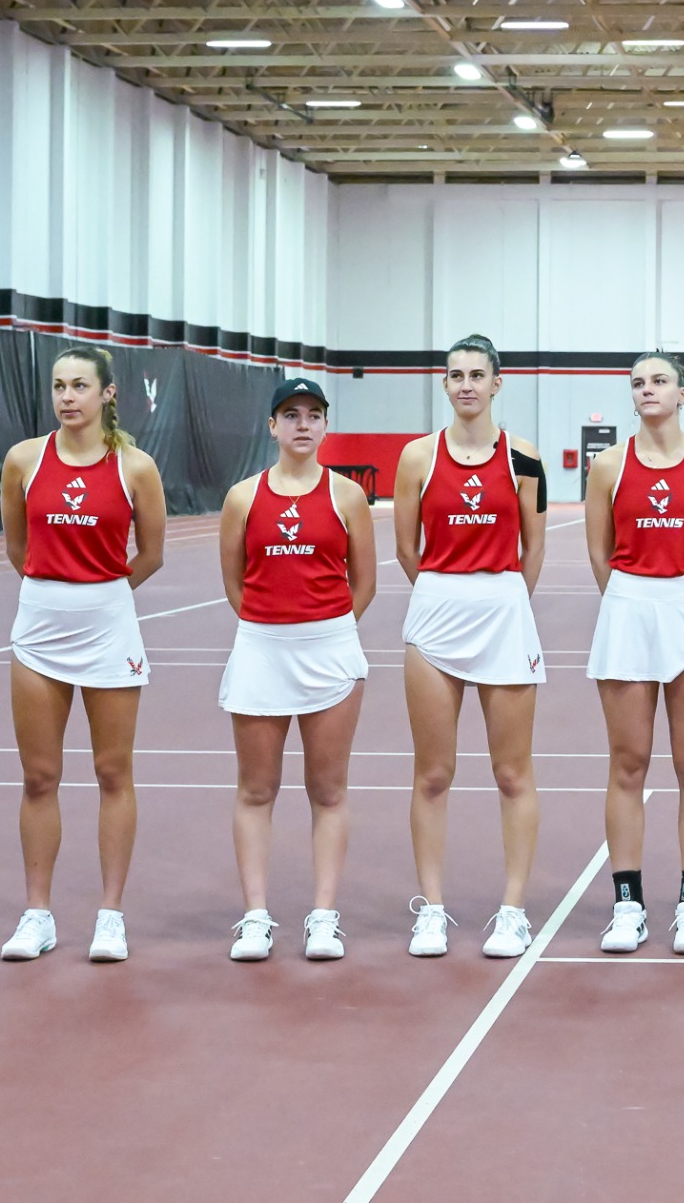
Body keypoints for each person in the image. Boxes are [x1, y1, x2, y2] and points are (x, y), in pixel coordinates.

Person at [0, 345, 166, 963]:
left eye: (80, 386)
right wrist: (54, 592)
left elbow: (149, 554)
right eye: (59, 386)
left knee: (112, 772)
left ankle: (110, 916)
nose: (68, 397)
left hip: (108, 630)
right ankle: (37, 914)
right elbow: (18, 546)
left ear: (107, 394)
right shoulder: (23, 460)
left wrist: (99, 596)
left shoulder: (136, 467)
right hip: (39, 630)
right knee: (40, 776)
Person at [392, 334, 549, 959]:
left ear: (497, 383)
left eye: (477, 375)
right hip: (436, 610)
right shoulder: (416, 457)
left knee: (512, 772)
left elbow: (534, 547)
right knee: (433, 773)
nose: (465, 385)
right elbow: (408, 547)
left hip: (503, 610)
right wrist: (442, 593)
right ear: (445, 384)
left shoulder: (525, 457)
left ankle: (512, 910)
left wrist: (506, 598)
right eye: (455, 375)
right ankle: (431, 910)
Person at [216, 378, 377, 961]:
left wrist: (324, 627)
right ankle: (256, 917)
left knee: (328, 790)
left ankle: (323, 918)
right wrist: (272, 626)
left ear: (325, 425)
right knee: (257, 789)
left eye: (313, 415)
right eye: (291, 415)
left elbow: (365, 583)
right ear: (272, 426)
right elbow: (234, 582)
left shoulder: (347, 497)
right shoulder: (242, 497)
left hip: (330, 648)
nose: (302, 424)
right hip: (261, 648)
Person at [583, 352, 684, 955]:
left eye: (660, 381)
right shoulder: (609, 465)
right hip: (627, 603)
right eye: (638, 383)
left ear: (683, 392)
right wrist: (633, 599)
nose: (648, 390)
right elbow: (600, 552)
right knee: (628, 763)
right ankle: (628, 905)